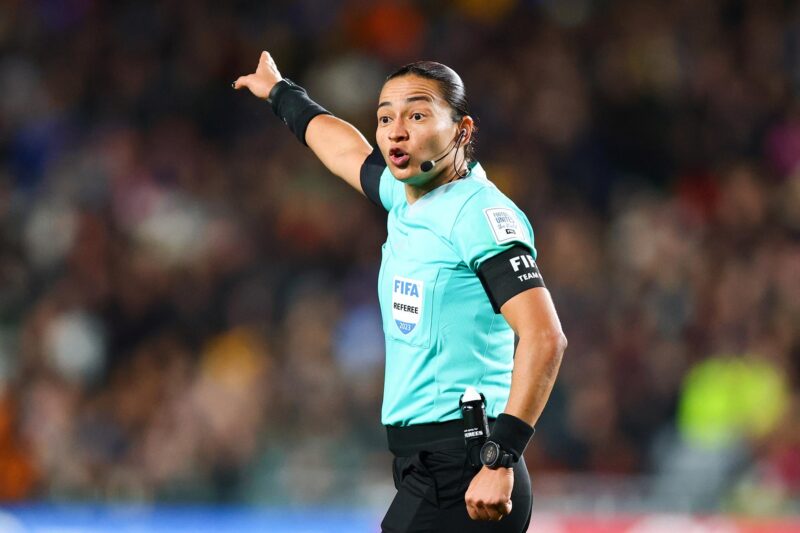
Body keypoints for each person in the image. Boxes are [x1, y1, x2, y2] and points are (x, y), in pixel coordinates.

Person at [234, 52, 567, 532]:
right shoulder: (405, 197)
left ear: (462, 130)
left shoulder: (479, 216)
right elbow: (343, 149)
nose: (396, 130)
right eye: (385, 117)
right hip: (428, 465)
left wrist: (499, 460)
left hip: (466, 468)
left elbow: (545, 337)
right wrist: (282, 92)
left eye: (417, 114)